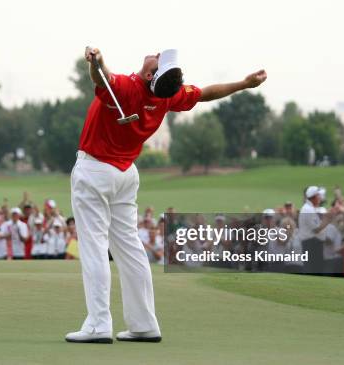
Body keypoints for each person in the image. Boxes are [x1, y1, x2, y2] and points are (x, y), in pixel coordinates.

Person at [66, 46, 267, 344]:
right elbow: (207, 94)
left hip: (95, 170)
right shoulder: (167, 96)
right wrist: (243, 84)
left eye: (158, 60)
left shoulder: (127, 86)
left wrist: (97, 60)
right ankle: (144, 323)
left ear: (150, 75)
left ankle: (98, 324)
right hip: (125, 175)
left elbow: (101, 77)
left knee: (94, 247)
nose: (155, 54)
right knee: (130, 249)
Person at [298, 186, 335, 274]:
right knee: (312, 269)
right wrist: (327, 219)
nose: (320, 198)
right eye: (318, 196)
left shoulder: (309, 208)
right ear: (313, 197)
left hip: (313, 243)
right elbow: (316, 229)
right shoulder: (307, 209)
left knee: (316, 269)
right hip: (311, 243)